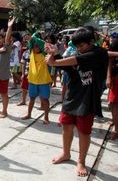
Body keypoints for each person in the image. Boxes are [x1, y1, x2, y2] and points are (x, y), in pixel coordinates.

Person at [46, 28, 108, 177]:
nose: (79, 49)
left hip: (87, 100)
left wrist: (53, 62)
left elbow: (76, 61)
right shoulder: (79, 53)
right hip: (72, 96)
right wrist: (55, 54)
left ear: (91, 42)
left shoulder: (99, 53)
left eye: (81, 46)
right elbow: (70, 68)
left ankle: (81, 161)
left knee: (84, 132)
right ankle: (66, 153)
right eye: (77, 47)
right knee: (66, 126)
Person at [22, 32, 52, 124]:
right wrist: (31, 38)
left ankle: (46, 117)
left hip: (44, 81)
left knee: (45, 100)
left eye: (37, 46)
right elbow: (31, 42)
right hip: (33, 81)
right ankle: (29, 114)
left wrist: (34, 38)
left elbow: (42, 43)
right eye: (34, 46)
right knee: (31, 98)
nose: (36, 47)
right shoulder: (31, 52)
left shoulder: (45, 55)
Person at [106, 37, 118, 140]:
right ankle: (116, 130)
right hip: (116, 77)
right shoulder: (116, 41)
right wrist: (108, 77)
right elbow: (109, 56)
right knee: (114, 103)